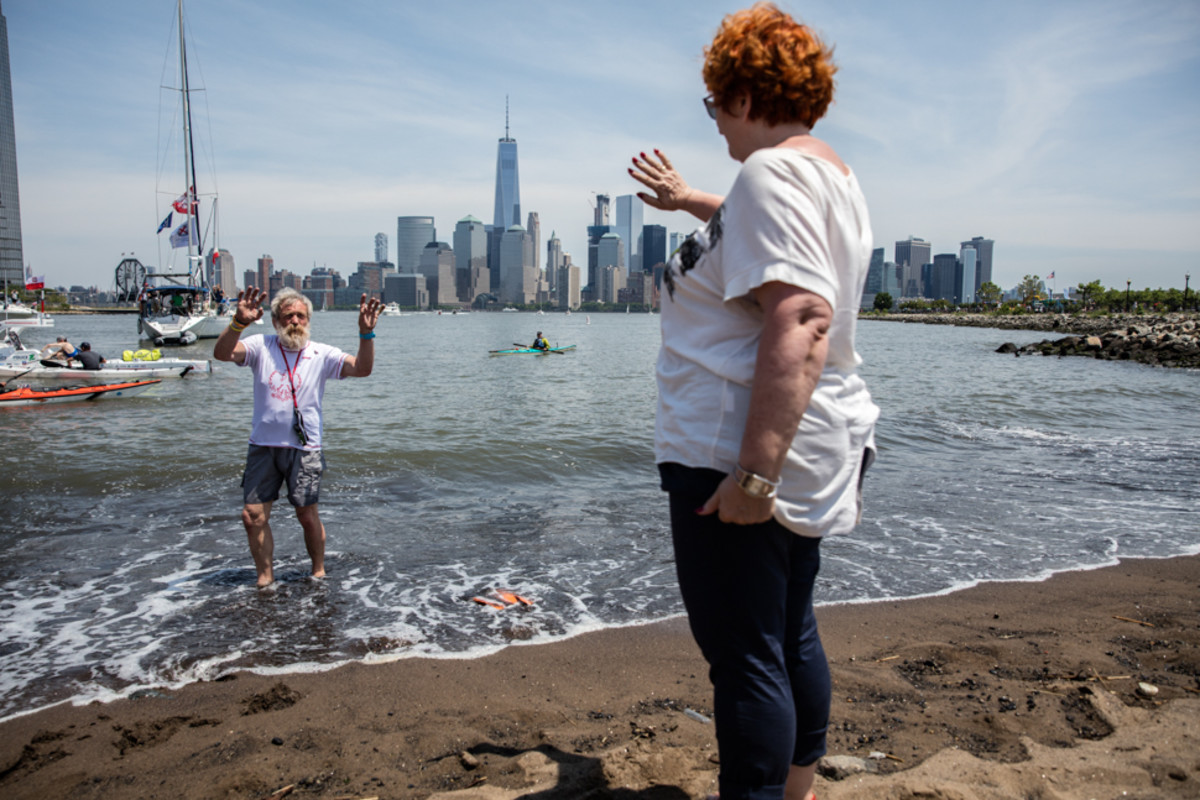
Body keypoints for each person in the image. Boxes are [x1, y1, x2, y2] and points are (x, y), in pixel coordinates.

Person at [628, 5, 878, 799]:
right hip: (813, 435)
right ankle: (796, 789)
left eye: (713, 104)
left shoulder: (771, 172)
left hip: (734, 448)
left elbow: (803, 316)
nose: (715, 123)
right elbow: (756, 234)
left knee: (744, 653)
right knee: (784, 632)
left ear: (740, 93)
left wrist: (754, 478)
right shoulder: (824, 174)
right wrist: (689, 198)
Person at [213, 286, 383, 588]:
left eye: (300, 316)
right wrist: (238, 323)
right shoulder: (260, 346)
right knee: (253, 516)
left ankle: (318, 572)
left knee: (306, 515)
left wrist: (365, 334)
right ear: (276, 321)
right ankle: (265, 581)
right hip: (262, 446)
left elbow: (362, 369)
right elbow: (222, 353)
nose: (295, 320)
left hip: (304, 449)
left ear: (308, 320)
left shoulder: (321, 353)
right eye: (288, 315)